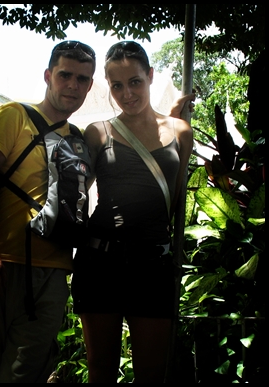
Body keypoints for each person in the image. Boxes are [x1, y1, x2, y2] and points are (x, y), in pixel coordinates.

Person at [0, 41, 97, 383]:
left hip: (51, 272)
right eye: (65, 75)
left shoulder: (79, 142)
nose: (72, 85)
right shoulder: (13, 117)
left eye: (82, 79)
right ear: (48, 76)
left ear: (89, 85)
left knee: (27, 372)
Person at [71, 41, 194, 383]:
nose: (127, 93)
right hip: (101, 263)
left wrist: (167, 121)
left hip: (152, 265)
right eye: (117, 86)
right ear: (108, 86)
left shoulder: (181, 133)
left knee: (153, 372)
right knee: (101, 368)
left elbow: (173, 197)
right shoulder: (98, 133)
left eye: (135, 82)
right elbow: (76, 194)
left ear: (150, 76)